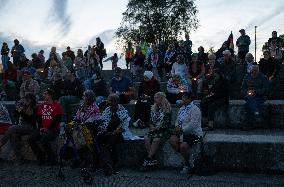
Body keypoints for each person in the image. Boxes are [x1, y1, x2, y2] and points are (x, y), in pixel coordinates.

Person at [169, 91, 203, 174]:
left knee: (183, 146)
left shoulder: (195, 109)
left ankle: (186, 164)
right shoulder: (181, 108)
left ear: (190, 99)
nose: (182, 99)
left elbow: (193, 124)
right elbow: (177, 120)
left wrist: (182, 129)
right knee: (172, 140)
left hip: (193, 133)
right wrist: (177, 126)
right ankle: (186, 159)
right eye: (182, 97)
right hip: (181, 131)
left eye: (184, 97)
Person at [28, 88, 63, 165]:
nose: (44, 95)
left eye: (45, 94)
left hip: (53, 129)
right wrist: (41, 128)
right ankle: (40, 156)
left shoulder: (57, 105)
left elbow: (57, 120)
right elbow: (39, 118)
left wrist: (47, 128)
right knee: (30, 139)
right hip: (43, 128)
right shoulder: (42, 105)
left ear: (50, 96)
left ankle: (52, 158)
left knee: (44, 140)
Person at [100, 94, 132, 172]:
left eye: (109, 100)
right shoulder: (107, 109)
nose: (107, 102)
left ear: (115, 102)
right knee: (98, 138)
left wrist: (115, 132)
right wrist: (102, 129)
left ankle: (115, 163)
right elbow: (103, 122)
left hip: (119, 133)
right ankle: (99, 162)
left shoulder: (122, 111)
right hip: (108, 132)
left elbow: (124, 126)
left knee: (113, 141)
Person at [0, 94, 37, 163]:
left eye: (27, 99)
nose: (25, 101)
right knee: (13, 135)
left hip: (30, 127)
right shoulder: (24, 106)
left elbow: (31, 120)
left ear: (31, 100)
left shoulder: (34, 108)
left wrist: (22, 112)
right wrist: (17, 110)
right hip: (22, 127)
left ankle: (1, 143)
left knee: (12, 128)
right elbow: (15, 115)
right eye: (25, 99)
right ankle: (19, 158)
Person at [142, 92, 172, 167]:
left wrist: (157, 128)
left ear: (162, 99)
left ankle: (149, 158)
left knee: (156, 140)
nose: (155, 99)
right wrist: (151, 126)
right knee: (146, 138)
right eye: (155, 97)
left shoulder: (167, 109)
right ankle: (152, 158)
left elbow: (166, 123)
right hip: (154, 130)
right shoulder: (154, 108)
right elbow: (151, 121)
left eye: (157, 98)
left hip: (163, 130)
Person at [241, 65, 269, 130]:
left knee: (247, 105)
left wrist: (255, 92)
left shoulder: (263, 77)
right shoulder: (246, 77)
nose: (254, 73)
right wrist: (248, 91)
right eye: (253, 71)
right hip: (248, 96)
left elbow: (266, 89)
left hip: (260, 97)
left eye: (256, 71)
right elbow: (242, 89)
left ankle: (248, 124)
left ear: (258, 71)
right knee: (250, 98)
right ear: (251, 71)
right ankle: (256, 113)